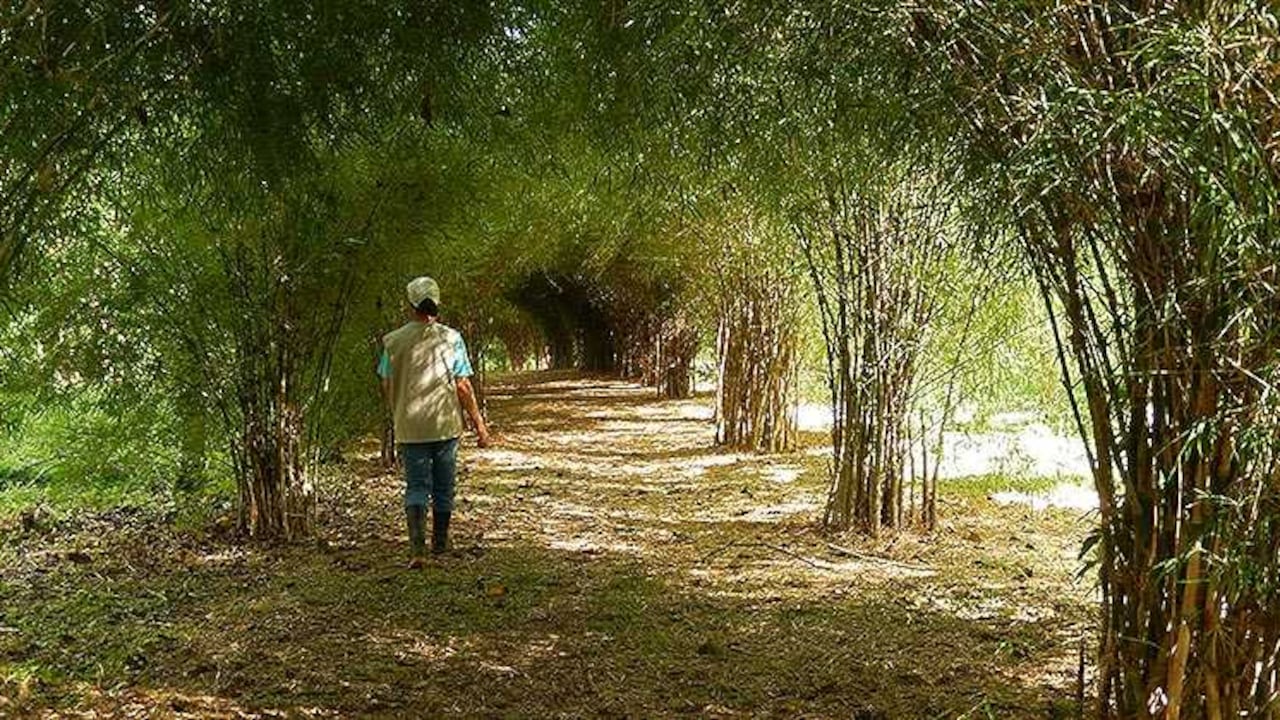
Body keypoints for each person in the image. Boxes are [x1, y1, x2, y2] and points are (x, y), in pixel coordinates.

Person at [377, 276, 492, 568]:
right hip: (444, 425)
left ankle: (417, 549)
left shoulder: (393, 341)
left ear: (410, 304)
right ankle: (440, 543)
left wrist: (397, 408)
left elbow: (386, 382)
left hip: (409, 425)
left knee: (416, 486)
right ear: (437, 301)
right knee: (444, 486)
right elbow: (463, 385)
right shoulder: (451, 339)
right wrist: (479, 424)